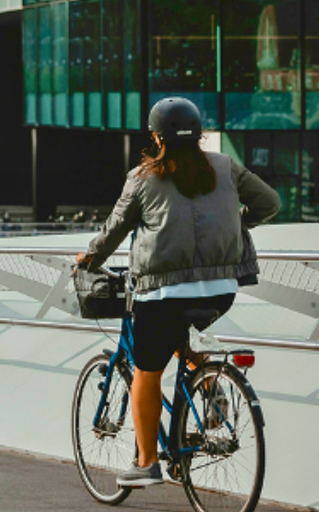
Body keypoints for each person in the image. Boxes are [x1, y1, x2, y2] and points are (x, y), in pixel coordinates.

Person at [77, 98, 279, 489]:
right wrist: (240, 224)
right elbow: (270, 203)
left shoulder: (143, 176)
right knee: (183, 335)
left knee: (145, 372)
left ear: (155, 136)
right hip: (222, 291)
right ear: (199, 132)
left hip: (162, 294)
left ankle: (147, 461)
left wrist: (90, 258)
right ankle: (207, 382)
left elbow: (115, 229)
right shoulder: (225, 166)